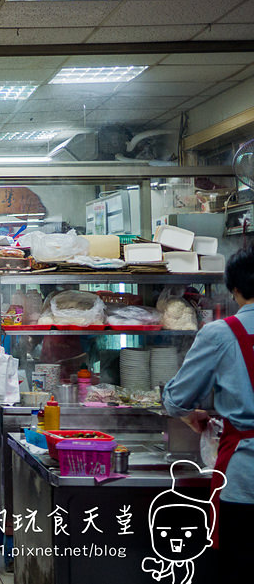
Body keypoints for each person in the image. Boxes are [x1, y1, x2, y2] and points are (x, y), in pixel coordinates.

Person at [162, 247, 254, 583]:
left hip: (244, 482)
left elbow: (175, 399)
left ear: (234, 290)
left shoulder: (221, 333)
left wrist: (191, 416)